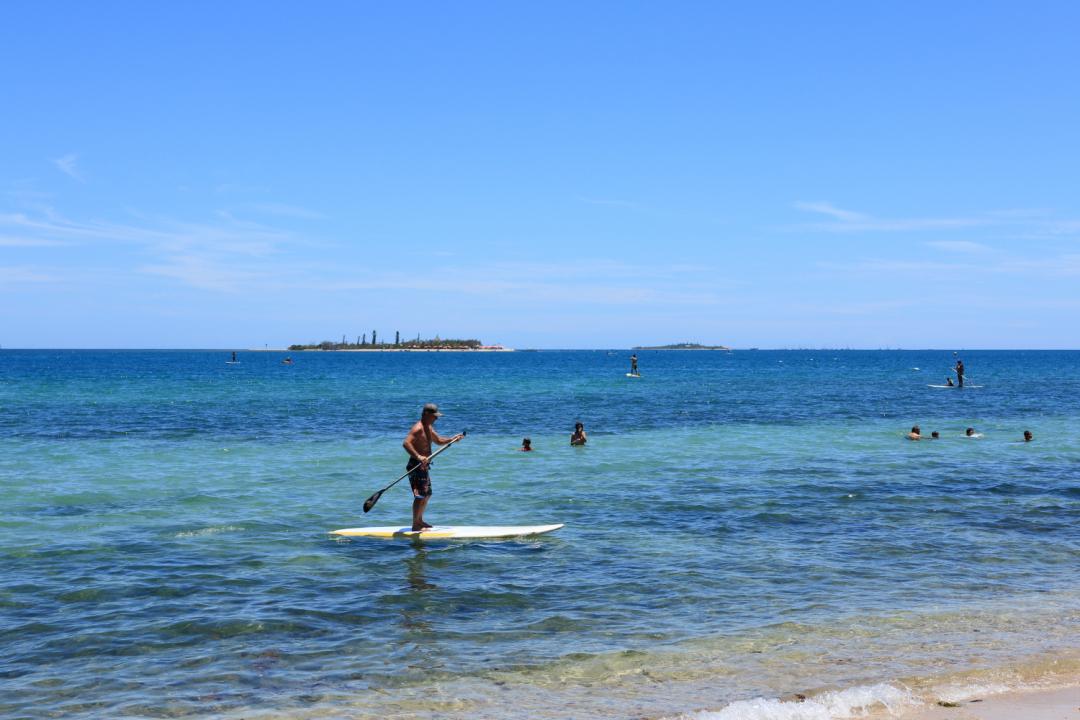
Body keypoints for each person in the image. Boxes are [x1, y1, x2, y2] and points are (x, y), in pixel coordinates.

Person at [402, 403, 465, 532]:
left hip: (424, 466)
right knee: (420, 495)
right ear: (426, 415)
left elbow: (439, 441)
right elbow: (406, 443)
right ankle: (415, 524)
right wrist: (419, 456)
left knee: (427, 494)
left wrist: (452, 439)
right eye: (434, 416)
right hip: (416, 465)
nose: (436, 419)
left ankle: (419, 520)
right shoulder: (418, 428)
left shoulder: (428, 427)